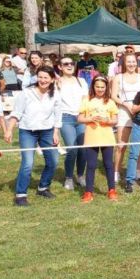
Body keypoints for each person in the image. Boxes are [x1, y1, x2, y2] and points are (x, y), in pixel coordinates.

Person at [4, 66, 61, 207]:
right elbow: (16, 112)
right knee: (28, 163)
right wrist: (9, 130)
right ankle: (20, 195)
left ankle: (43, 187)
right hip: (27, 131)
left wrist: (55, 132)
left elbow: (57, 115)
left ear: (52, 79)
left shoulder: (55, 94)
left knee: (53, 161)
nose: (42, 80)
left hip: (47, 131)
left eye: (46, 77)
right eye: (40, 77)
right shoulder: (26, 93)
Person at [78, 76, 119, 202]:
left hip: (107, 137)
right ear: (93, 87)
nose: (100, 89)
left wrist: (107, 120)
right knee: (91, 165)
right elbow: (79, 118)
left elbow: (115, 120)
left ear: (106, 88)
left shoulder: (110, 102)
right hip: (91, 137)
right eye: (97, 87)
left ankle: (112, 190)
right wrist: (90, 119)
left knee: (108, 165)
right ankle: (88, 192)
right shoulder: (87, 100)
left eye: (102, 87)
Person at [56, 56, 88, 190]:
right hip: (66, 118)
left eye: (72, 63)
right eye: (66, 64)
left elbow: (86, 99)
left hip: (81, 118)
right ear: (60, 67)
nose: (69, 66)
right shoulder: (57, 82)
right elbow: (55, 103)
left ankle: (80, 176)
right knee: (72, 149)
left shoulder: (81, 81)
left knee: (83, 149)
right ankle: (69, 177)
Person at [113, 51, 140, 183]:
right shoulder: (118, 78)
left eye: (133, 62)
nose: (131, 64)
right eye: (128, 62)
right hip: (124, 111)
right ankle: (116, 171)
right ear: (124, 63)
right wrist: (126, 104)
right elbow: (113, 96)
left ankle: (139, 171)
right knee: (121, 144)